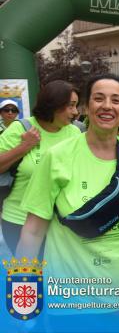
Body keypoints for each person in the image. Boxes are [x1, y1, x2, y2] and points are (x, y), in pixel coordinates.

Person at [16, 74, 119, 331]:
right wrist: (22, 295)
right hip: (74, 300)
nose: (107, 105)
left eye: (116, 100)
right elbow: (33, 230)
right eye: (98, 98)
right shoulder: (57, 157)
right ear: (85, 107)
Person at [0, 80, 80, 254]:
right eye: (71, 106)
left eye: (76, 106)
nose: (75, 112)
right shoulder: (20, 128)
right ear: (53, 104)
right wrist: (24, 147)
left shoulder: (74, 132)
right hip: (19, 221)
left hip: (60, 223)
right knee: (30, 277)